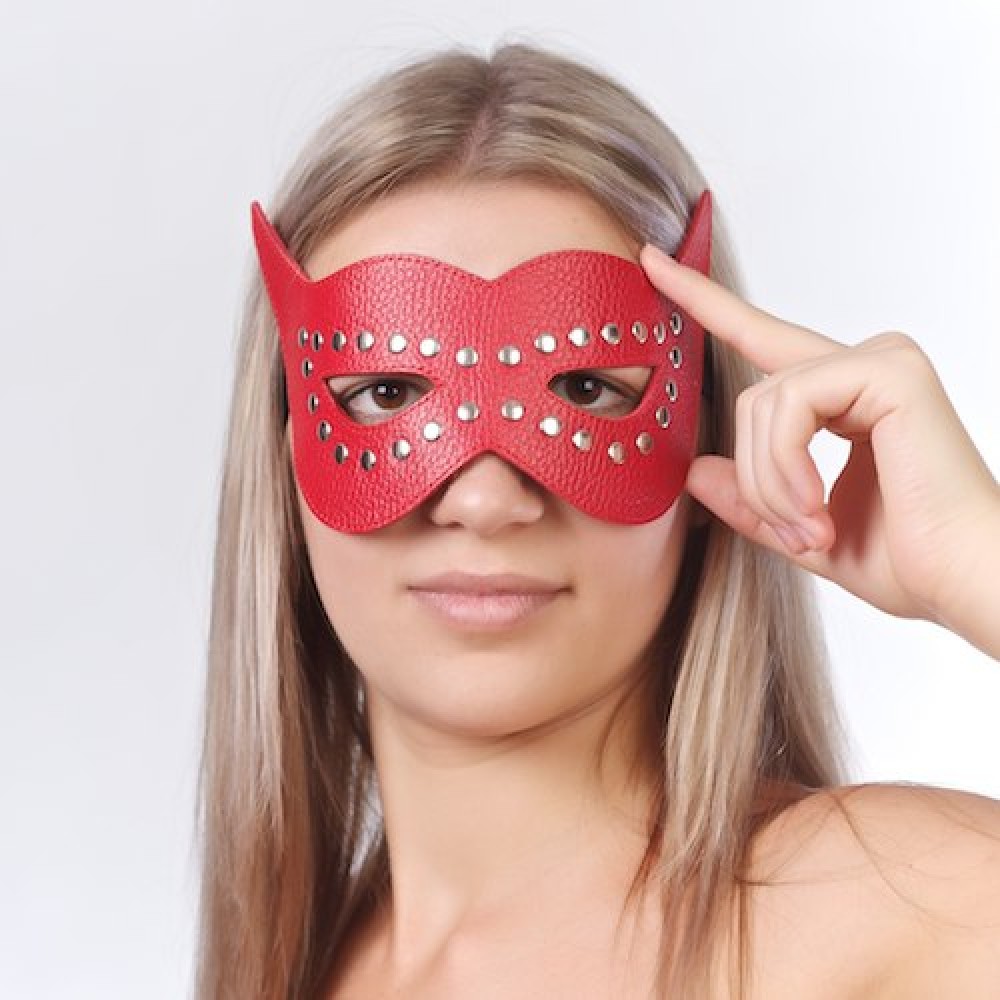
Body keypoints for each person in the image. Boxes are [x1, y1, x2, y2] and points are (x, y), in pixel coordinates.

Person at [193, 40, 1000, 1000]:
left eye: (584, 388)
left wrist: (980, 566)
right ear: (283, 463)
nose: (487, 501)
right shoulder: (296, 968)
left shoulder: (903, 908)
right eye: (387, 392)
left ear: (708, 439)